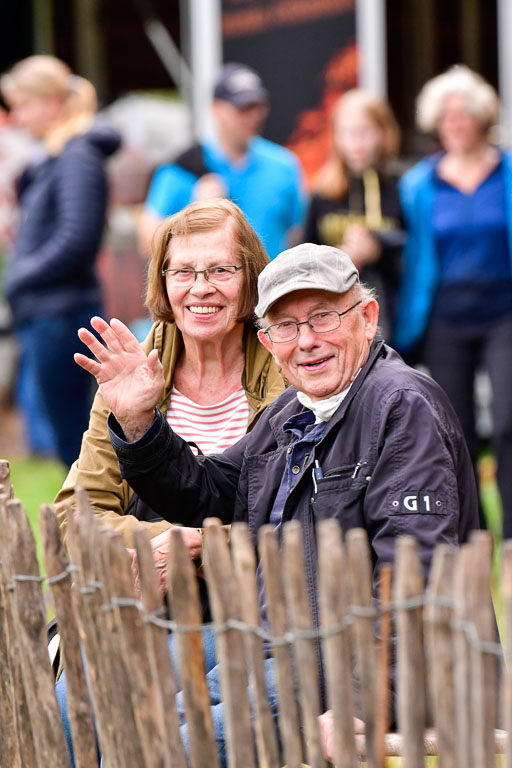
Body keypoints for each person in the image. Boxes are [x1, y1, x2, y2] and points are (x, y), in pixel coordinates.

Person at [76, 242, 479, 765]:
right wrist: (138, 421)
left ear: (367, 318)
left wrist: (364, 702)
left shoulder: (401, 405)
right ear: (267, 340)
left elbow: (416, 573)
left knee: (160, 751)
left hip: (342, 662)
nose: (306, 341)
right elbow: (209, 493)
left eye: (323, 317)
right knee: (114, 719)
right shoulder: (293, 410)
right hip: (271, 646)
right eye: (286, 326)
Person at [54, 197, 285, 767]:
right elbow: (75, 513)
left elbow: (292, 512)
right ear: (162, 280)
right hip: (140, 600)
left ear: (250, 278)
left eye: (220, 269)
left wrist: (204, 544)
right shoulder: (135, 369)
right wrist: (157, 543)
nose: (200, 288)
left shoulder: (284, 368)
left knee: (143, 717)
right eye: (182, 271)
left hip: (242, 614)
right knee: (70, 704)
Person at [393, 65, 512, 536]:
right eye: (447, 116)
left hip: (504, 313)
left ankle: (511, 539)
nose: (456, 123)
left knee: (507, 421)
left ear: (481, 118)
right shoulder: (418, 184)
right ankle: (472, 539)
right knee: (455, 431)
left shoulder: (506, 171)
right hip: (444, 317)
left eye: (463, 114)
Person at [0, 55, 121, 466]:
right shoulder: (54, 157)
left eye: (24, 105)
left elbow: (77, 239)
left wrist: (19, 278)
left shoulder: (78, 156)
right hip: (48, 311)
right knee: (67, 437)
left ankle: (94, 507)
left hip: (64, 314)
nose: (17, 116)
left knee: (77, 440)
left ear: (53, 102)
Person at [138, 62, 306, 260]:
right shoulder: (183, 167)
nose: (252, 117)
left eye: (257, 107)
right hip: (210, 279)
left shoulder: (284, 165)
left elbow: (299, 234)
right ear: (216, 109)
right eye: (242, 108)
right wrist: (192, 211)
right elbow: (147, 243)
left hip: (271, 278)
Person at [304, 88, 404, 341]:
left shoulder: (399, 185)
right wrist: (337, 256)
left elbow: (415, 246)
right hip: (333, 313)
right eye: (348, 133)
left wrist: (377, 245)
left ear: (383, 133)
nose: (356, 143)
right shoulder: (323, 191)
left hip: (390, 313)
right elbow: (306, 250)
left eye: (365, 132)